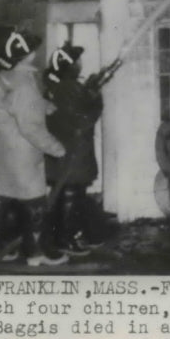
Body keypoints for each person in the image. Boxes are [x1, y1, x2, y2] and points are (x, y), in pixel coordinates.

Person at [0, 29, 68, 266]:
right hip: (23, 153)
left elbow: (17, 106)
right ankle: (36, 253)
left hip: (4, 149)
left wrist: (43, 105)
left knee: (2, 197)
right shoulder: (25, 83)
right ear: (28, 55)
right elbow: (30, 127)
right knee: (35, 202)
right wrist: (56, 148)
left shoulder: (6, 76)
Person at [43, 42, 104, 255]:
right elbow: (83, 119)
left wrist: (88, 91)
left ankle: (67, 236)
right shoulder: (69, 88)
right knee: (71, 194)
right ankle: (66, 239)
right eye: (77, 61)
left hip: (67, 152)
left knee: (69, 195)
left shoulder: (61, 86)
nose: (80, 64)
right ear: (71, 66)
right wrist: (96, 98)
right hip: (73, 153)